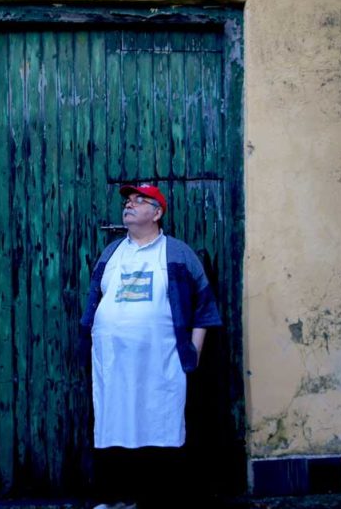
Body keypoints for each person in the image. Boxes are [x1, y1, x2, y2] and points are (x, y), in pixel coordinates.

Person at [79, 184, 223, 508]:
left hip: (160, 363)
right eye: (127, 202)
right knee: (114, 423)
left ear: (157, 213)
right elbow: (94, 298)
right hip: (114, 363)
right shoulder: (112, 253)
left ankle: (154, 499)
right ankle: (116, 499)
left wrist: (194, 352)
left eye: (139, 201)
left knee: (159, 422)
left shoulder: (177, 253)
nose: (129, 206)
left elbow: (204, 304)